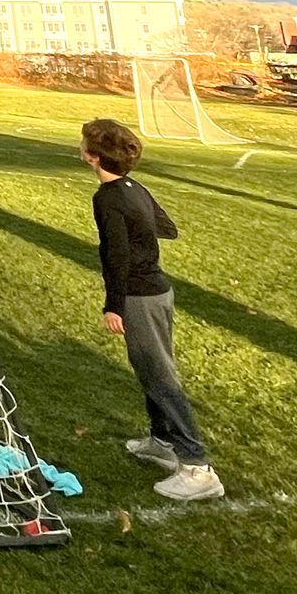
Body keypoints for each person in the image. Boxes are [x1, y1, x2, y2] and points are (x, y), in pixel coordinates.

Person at [81, 118, 222, 501]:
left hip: (140, 297)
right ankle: (162, 441)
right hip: (159, 292)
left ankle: (197, 466)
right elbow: (167, 227)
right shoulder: (134, 188)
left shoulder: (108, 198)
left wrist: (114, 306)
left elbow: (116, 255)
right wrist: (139, 222)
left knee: (160, 375)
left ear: (92, 157)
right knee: (149, 368)